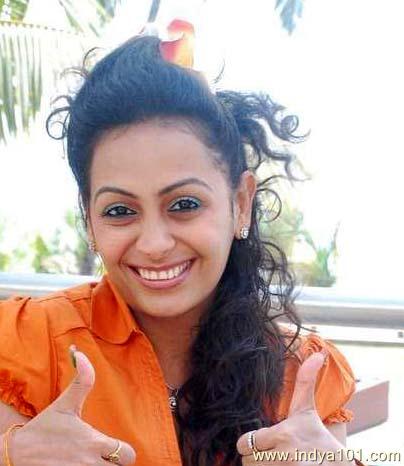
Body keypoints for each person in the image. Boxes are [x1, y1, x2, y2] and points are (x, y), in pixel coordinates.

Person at [0, 26, 358, 466]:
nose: (154, 244)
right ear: (89, 220)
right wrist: (10, 453)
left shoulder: (305, 374)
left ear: (241, 204)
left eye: (184, 204)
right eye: (119, 210)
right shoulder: (26, 347)